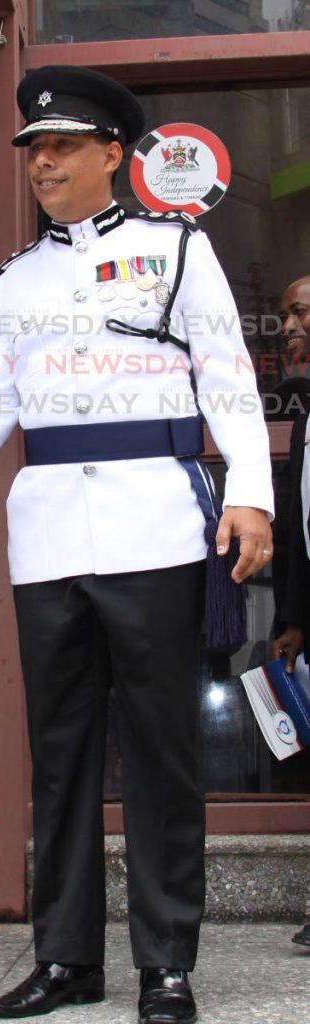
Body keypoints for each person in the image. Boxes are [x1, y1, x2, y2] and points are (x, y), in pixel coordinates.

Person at [0, 66, 274, 1023]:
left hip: (152, 523)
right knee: (58, 756)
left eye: (60, 147)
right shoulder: (12, 281)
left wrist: (252, 496)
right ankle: (65, 960)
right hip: (50, 535)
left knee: (160, 752)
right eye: (33, 150)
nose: (43, 163)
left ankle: (164, 966)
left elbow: (226, 376)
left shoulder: (174, 248)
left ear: (112, 154)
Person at [270, 276, 310, 951]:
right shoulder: (303, 418)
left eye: (302, 312)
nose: (287, 328)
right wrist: (293, 620)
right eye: (284, 316)